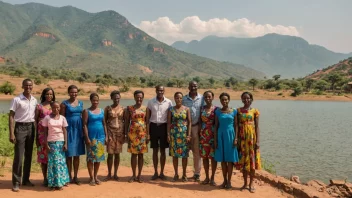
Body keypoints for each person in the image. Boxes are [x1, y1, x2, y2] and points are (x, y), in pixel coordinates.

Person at [9, 79, 37, 192]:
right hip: (20, 127)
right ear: (22, 86)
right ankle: (16, 182)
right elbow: (11, 116)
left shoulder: (35, 100)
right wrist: (11, 133)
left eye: (30, 85)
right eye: (26, 85)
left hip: (31, 127)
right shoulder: (17, 99)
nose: (28, 87)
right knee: (19, 156)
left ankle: (26, 179)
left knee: (29, 155)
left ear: (32, 86)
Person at [60, 85, 85, 185]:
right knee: (69, 155)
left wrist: (83, 129)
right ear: (68, 92)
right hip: (69, 130)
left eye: (75, 92)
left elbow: (82, 116)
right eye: (72, 92)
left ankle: (76, 177)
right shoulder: (64, 104)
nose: (74, 94)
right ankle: (68, 176)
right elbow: (62, 118)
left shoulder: (81, 103)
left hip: (78, 131)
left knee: (77, 155)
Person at [146, 85, 172, 180]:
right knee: (155, 150)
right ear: (156, 91)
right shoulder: (150, 102)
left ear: (164, 91)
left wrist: (168, 134)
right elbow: (147, 119)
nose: (160, 92)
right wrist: (148, 133)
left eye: (162, 90)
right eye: (158, 90)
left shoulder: (169, 102)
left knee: (163, 151)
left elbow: (169, 120)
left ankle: (162, 172)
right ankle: (155, 172)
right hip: (153, 127)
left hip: (164, 127)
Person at [42, 101, 70, 191]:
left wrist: (65, 143)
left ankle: (60, 182)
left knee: (60, 163)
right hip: (51, 142)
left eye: (57, 107)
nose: (56, 109)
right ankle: (52, 183)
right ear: (51, 108)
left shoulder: (62, 118)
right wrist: (46, 143)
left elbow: (65, 130)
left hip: (60, 142)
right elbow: (45, 132)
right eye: (54, 107)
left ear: (60, 108)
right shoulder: (47, 118)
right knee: (52, 163)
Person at [214, 92, 239, 190]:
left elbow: (236, 125)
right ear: (220, 101)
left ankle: (229, 181)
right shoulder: (218, 112)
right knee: (223, 160)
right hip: (221, 136)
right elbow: (216, 126)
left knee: (230, 160)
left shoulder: (234, 111)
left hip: (231, 136)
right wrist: (215, 140)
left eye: (226, 99)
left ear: (229, 100)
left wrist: (236, 138)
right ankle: (224, 180)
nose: (224, 101)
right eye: (222, 100)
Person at [237, 92, 261, 193]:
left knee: (252, 162)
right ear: (242, 99)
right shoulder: (238, 111)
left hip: (252, 139)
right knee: (243, 161)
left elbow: (257, 127)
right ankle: (245, 183)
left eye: (248, 98)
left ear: (251, 99)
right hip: (242, 139)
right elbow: (237, 126)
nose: (246, 100)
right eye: (244, 98)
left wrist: (258, 141)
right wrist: (237, 139)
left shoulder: (255, 111)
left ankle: (251, 183)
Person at [83, 93, 107, 186]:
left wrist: (106, 136)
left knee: (98, 158)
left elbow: (104, 124)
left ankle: (96, 176)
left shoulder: (101, 111)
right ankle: (91, 177)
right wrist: (87, 137)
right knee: (90, 158)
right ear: (91, 100)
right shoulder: (86, 111)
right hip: (91, 137)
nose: (95, 102)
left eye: (97, 100)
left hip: (100, 137)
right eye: (94, 100)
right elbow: (84, 125)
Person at [125, 90, 148, 183]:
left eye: (141, 97)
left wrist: (148, 135)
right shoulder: (130, 108)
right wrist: (126, 134)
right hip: (132, 134)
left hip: (142, 134)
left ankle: (139, 175)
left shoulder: (146, 108)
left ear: (143, 98)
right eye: (137, 97)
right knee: (133, 155)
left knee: (141, 155)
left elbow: (147, 122)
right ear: (134, 97)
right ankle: (133, 175)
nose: (139, 99)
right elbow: (126, 121)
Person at [168, 92, 191, 182]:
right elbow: (169, 123)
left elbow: (189, 122)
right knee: (175, 156)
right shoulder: (171, 109)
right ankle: (176, 174)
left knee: (184, 156)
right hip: (174, 135)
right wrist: (168, 134)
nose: (179, 99)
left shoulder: (186, 109)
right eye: (177, 98)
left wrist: (189, 135)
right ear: (174, 98)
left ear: (182, 99)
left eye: (180, 98)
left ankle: (184, 174)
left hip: (184, 135)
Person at [182, 81, 203, 182]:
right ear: (188, 87)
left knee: (196, 152)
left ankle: (197, 173)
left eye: (195, 86)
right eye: (192, 86)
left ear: (197, 87)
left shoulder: (202, 98)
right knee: (184, 151)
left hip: (197, 127)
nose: (194, 87)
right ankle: (183, 174)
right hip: (185, 128)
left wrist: (201, 128)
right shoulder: (184, 99)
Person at [35, 87, 55, 187]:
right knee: (43, 158)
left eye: (51, 94)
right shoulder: (39, 106)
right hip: (42, 135)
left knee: (53, 157)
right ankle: (45, 179)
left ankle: (53, 178)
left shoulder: (55, 106)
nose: (49, 96)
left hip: (53, 135)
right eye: (47, 94)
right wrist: (36, 138)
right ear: (43, 95)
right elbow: (35, 121)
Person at [104, 91, 125, 181]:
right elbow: (104, 122)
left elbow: (126, 121)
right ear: (111, 98)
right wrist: (106, 135)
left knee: (117, 154)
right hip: (110, 133)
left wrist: (124, 134)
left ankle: (115, 174)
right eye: (115, 98)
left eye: (118, 98)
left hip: (119, 133)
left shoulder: (123, 109)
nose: (117, 100)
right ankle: (109, 174)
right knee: (110, 154)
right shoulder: (108, 108)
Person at [198, 91, 217, 186]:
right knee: (204, 157)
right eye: (206, 97)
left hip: (213, 136)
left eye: (209, 96)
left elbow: (217, 124)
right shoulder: (201, 109)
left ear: (213, 97)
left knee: (213, 158)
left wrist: (216, 138)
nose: (207, 98)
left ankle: (213, 178)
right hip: (203, 136)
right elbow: (200, 122)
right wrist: (199, 135)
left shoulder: (216, 109)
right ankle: (207, 177)